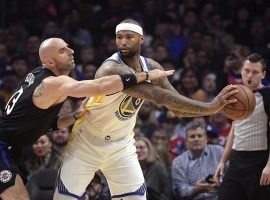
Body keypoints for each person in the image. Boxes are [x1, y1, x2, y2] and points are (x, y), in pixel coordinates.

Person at [55, 18, 237, 200]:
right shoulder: (109, 69)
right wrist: (212, 107)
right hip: (88, 141)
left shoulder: (152, 66)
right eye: (119, 37)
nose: (123, 42)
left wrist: (211, 108)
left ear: (141, 39)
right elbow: (158, 96)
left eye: (129, 37)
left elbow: (176, 106)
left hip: (121, 145)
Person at [0, 37, 173, 200]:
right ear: (50, 62)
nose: (71, 51)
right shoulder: (52, 83)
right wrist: (146, 75)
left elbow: (46, 124)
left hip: (12, 149)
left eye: (68, 46)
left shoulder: (39, 77)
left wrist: (74, 116)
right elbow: (100, 87)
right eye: (62, 50)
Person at [215, 53, 270, 200]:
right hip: (236, 160)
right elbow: (234, 129)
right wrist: (222, 161)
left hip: (259, 160)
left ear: (263, 74)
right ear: (241, 71)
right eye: (246, 70)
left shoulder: (268, 95)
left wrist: (269, 166)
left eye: (255, 72)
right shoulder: (236, 94)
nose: (250, 75)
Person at [171, 122, 223, 200]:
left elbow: (231, 177)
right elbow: (180, 192)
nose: (196, 139)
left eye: (200, 136)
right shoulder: (178, 162)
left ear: (206, 139)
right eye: (192, 136)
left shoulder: (219, 152)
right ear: (186, 142)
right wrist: (195, 189)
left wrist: (220, 183)